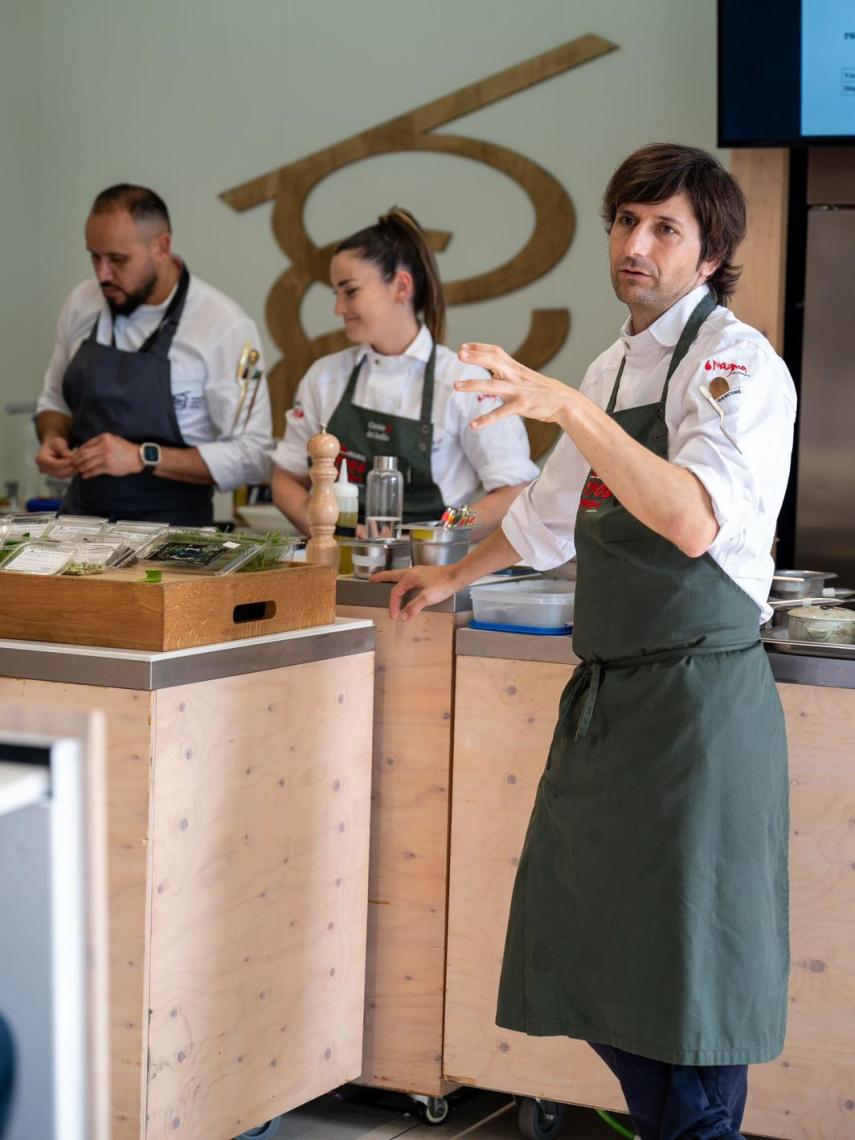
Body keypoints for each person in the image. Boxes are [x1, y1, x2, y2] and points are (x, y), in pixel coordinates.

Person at [377, 144, 796, 1140]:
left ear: (711, 253)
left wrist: (566, 405)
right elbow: (550, 516)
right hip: (615, 718)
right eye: (624, 222)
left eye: (665, 229)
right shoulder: (614, 363)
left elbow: (694, 519)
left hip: (699, 719)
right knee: (616, 982)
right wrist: (453, 575)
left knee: (691, 1006)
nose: (636, 245)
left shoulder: (736, 364)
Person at [270, 207, 538, 533]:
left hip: (433, 570)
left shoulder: (463, 381)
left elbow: (513, 492)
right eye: (336, 293)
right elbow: (286, 480)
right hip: (338, 563)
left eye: (350, 291)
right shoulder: (324, 377)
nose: (338, 308)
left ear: (401, 286)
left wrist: (437, 536)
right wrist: (325, 528)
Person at [35, 184, 272, 524]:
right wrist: (53, 438)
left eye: (117, 259)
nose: (102, 274)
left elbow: (253, 455)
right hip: (80, 526)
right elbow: (54, 403)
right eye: (94, 256)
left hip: (174, 532)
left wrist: (143, 457)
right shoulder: (81, 304)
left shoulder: (223, 325)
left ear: (161, 247)